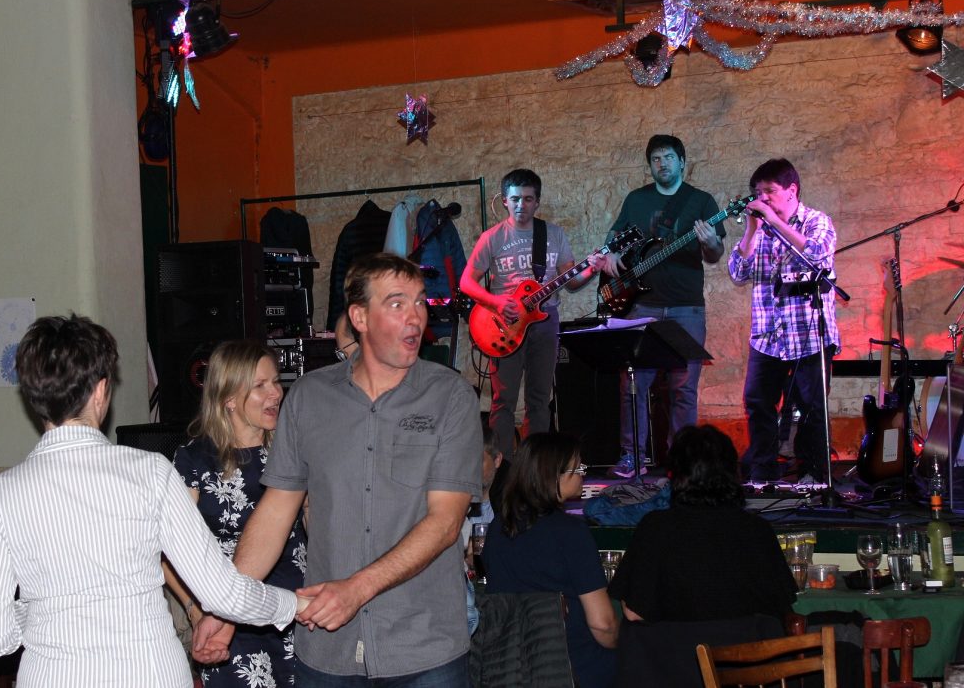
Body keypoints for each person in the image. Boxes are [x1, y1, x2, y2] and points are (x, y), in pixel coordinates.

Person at [0, 314, 304, 688]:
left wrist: (42, 607)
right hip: (150, 673)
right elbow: (223, 593)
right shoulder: (151, 472)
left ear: (33, 397)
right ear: (100, 391)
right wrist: (298, 605)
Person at [194, 254, 483, 685]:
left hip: (424, 647)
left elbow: (445, 523)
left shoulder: (451, 397)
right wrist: (227, 609)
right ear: (359, 318)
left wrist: (356, 589)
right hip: (329, 650)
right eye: (397, 303)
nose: (416, 317)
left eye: (420, 302)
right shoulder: (309, 397)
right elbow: (275, 513)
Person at [164, 339, 307, 687]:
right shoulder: (195, 459)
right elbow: (168, 552)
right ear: (228, 398)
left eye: (276, 382)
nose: (275, 393)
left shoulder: (294, 449)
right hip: (227, 618)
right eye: (260, 385)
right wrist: (196, 611)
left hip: (295, 610)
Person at [461, 168, 609, 459]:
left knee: (540, 399)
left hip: (545, 321)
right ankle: (502, 467)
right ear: (505, 200)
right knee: (503, 400)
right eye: (515, 199)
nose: (521, 205)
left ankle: (535, 467)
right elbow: (466, 282)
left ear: (537, 202)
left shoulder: (553, 234)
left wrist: (592, 268)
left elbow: (572, 281)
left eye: (528, 199)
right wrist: (496, 303)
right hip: (504, 324)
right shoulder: (492, 238)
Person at [603, 135, 726, 478]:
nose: (662, 164)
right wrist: (610, 253)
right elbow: (614, 239)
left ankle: (683, 461)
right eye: (656, 159)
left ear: (682, 161)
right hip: (641, 305)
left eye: (669, 157)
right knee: (633, 385)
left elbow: (714, 255)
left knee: (683, 387)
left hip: (687, 307)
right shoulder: (637, 200)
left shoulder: (701, 201)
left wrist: (711, 242)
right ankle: (633, 456)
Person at [609, 424, 796, 622]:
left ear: (675, 475)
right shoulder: (758, 530)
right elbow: (782, 606)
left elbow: (634, 613)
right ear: (734, 472)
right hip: (748, 642)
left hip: (677, 642)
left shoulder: (655, 527)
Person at [728, 158, 840, 483]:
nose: (762, 198)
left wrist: (775, 222)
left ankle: (815, 475)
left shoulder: (816, 221)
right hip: (767, 337)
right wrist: (752, 229)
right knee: (758, 402)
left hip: (809, 335)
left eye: (769, 191)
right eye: (757, 193)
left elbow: (818, 252)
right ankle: (761, 474)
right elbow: (737, 272)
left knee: (812, 407)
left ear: (792, 190)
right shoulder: (760, 230)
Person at [483, 432, 618, 688]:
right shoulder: (571, 533)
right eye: (577, 468)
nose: (582, 474)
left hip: (514, 666)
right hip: (572, 665)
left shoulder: (498, 528)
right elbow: (603, 625)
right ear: (552, 475)